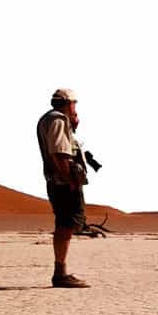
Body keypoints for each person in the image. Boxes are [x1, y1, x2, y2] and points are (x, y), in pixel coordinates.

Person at [37, 88, 90, 287]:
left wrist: (73, 126)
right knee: (66, 225)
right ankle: (60, 273)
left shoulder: (49, 119)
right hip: (63, 182)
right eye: (74, 103)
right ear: (68, 103)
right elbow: (60, 153)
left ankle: (61, 271)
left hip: (59, 180)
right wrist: (70, 179)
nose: (75, 107)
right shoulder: (58, 120)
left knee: (66, 224)